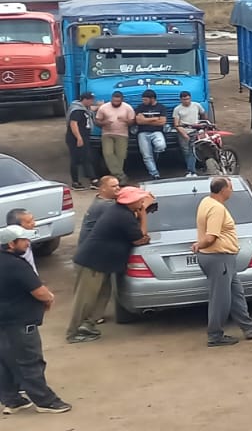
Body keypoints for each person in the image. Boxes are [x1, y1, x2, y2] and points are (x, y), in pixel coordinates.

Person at [0, 225, 71, 414]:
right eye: (24, 240)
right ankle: (45, 401)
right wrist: (49, 299)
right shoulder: (16, 265)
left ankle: (12, 400)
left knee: (6, 361)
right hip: (19, 323)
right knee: (29, 362)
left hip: (3, 322)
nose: (28, 242)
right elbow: (40, 292)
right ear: (10, 244)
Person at [66, 186, 149, 342]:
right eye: (140, 199)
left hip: (102, 263)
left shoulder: (121, 212)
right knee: (85, 299)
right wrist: (143, 215)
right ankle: (74, 332)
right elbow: (140, 238)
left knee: (102, 294)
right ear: (131, 201)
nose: (143, 201)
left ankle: (88, 326)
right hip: (92, 263)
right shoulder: (123, 216)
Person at [195, 177, 252, 346]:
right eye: (230, 187)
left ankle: (249, 327)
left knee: (236, 294)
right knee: (220, 298)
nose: (232, 191)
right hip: (218, 257)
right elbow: (212, 237)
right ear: (223, 190)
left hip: (221, 258)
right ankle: (215, 335)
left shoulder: (205, 201)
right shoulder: (216, 209)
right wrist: (200, 245)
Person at [92, 91, 133, 183]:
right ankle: (121, 175)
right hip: (107, 134)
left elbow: (132, 121)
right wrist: (104, 123)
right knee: (108, 153)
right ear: (111, 99)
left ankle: (116, 178)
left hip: (122, 134)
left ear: (122, 100)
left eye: (118, 102)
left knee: (121, 156)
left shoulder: (128, 108)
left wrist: (125, 121)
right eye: (114, 101)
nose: (116, 103)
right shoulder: (103, 108)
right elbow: (97, 121)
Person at [65, 92, 97, 187]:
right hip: (76, 139)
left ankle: (93, 179)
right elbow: (73, 124)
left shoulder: (85, 109)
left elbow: (92, 109)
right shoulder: (77, 111)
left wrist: (100, 106)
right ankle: (76, 181)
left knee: (86, 158)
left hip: (85, 137)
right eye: (91, 100)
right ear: (85, 100)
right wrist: (79, 137)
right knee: (76, 159)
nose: (92, 102)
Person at [171, 91, 206, 177]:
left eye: (188, 99)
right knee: (186, 152)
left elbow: (203, 114)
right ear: (181, 100)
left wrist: (203, 126)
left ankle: (191, 171)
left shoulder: (197, 105)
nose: (186, 101)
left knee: (193, 151)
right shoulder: (177, 109)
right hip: (184, 131)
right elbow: (176, 124)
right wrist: (184, 134)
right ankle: (191, 169)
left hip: (195, 131)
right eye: (184, 99)